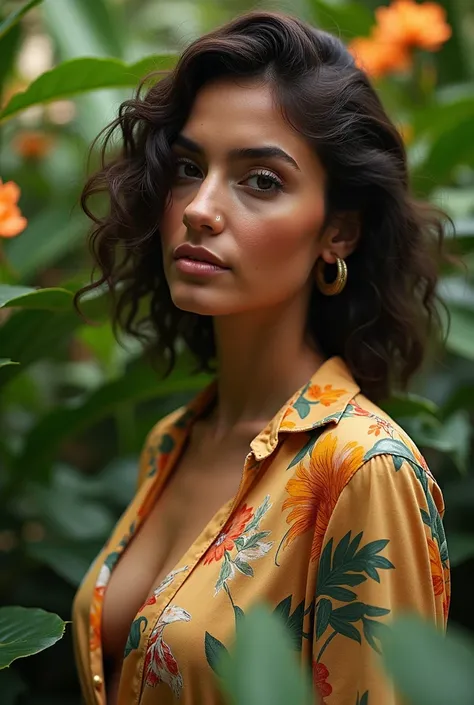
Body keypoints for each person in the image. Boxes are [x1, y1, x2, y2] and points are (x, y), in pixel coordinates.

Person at [72, 10, 451, 705]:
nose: (199, 208)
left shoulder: (364, 469)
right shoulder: (174, 441)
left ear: (337, 231)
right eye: (189, 168)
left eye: (261, 180)